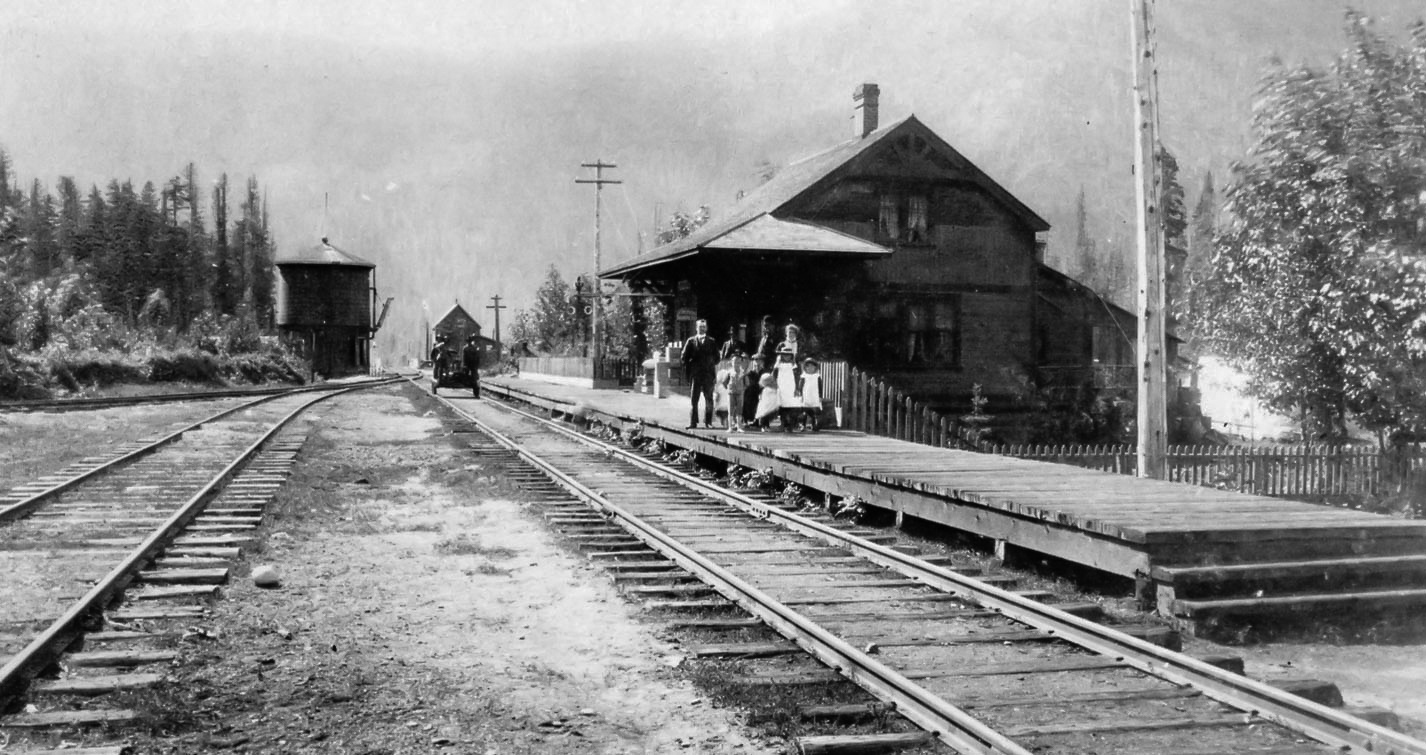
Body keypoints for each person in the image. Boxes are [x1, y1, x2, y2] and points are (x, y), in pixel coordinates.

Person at [679, 319, 720, 429]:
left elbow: (717, 358)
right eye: (700, 326)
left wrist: (709, 363)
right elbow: (683, 357)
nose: (702, 328)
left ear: (706, 328)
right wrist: (691, 366)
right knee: (694, 399)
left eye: (704, 326)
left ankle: (708, 422)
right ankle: (693, 422)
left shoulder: (712, 342)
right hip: (696, 374)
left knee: (709, 399)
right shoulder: (691, 341)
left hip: (708, 374)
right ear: (696, 328)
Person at [773, 348, 801, 432]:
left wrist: (797, 388)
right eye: (784, 354)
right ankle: (783, 424)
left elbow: (797, 377)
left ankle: (791, 425)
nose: (786, 356)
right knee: (782, 407)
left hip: (791, 388)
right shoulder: (778, 364)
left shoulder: (795, 365)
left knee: (792, 407)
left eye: (788, 355)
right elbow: (774, 375)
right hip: (781, 387)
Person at [723, 351, 750, 433]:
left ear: (740, 363)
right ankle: (730, 427)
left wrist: (743, 389)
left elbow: (747, 383)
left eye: (738, 362)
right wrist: (728, 389)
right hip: (731, 393)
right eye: (734, 362)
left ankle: (739, 426)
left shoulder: (743, 373)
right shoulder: (729, 372)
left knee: (739, 410)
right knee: (730, 410)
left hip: (740, 394)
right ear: (731, 363)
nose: (736, 364)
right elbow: (724, 382)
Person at [799, 358, 822, 432]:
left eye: (812, 366)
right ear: (805, 367)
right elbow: (800, 386)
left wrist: (820, 396)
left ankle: (814, 425)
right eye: (808, 366)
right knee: (804, 412)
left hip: (815, 397)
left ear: (815, 367)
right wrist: (800, 395)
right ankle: (802, 425)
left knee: (815, 412)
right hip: (806, 396)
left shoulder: (817, 376)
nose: (810, 368)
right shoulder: (803, 376)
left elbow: (820, 387)